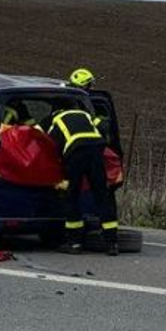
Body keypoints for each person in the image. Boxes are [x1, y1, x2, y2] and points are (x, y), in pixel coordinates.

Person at [44, 103, 119, 255]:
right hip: (96, 150)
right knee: (102, 195)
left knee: (71, 196)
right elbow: (103, 127)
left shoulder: (56, 121)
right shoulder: (84, 114)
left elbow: (50, 147)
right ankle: (112, 244)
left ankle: (75, 243)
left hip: (75, 154)